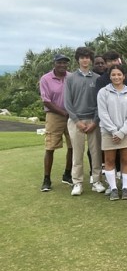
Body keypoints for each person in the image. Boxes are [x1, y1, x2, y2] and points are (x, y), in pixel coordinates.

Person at [64, 47, 105, 196]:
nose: (85, 60)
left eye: (87, 57)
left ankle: (97, 181)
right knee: (77, 153)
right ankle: (77, 183)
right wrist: (76, 121)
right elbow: (67, 103)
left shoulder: (96, 78)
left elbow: (100, 103)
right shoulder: (70, 78)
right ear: (78, 60)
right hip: (76, 121)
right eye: (82, 57)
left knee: (96, 153)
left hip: (93, 120)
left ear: (91, 59)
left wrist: (94, 121)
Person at [97, 66, 127, 200]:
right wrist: (114, 131)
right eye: (113, 75)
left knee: (126, 160)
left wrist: (122, 132)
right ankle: (113, 188)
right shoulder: (103, 92)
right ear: (110, 76)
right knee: (109, 160)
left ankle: (125, 188)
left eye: (119, 74)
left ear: (124, 76)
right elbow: (102, 113)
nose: (116, 77)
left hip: (126, 132)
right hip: (109, 132)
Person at [39, 53, 73, 191]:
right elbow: (46, 100)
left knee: (73, 146)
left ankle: (67, 174)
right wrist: (63, 112)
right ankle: (46, 179)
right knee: (50, 147)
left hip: (71, 115)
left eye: (65, 62)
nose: (62, 65)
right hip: (54, 115)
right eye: (60, 62)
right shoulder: (45, 79)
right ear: (54, 63)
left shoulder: (71, 77)